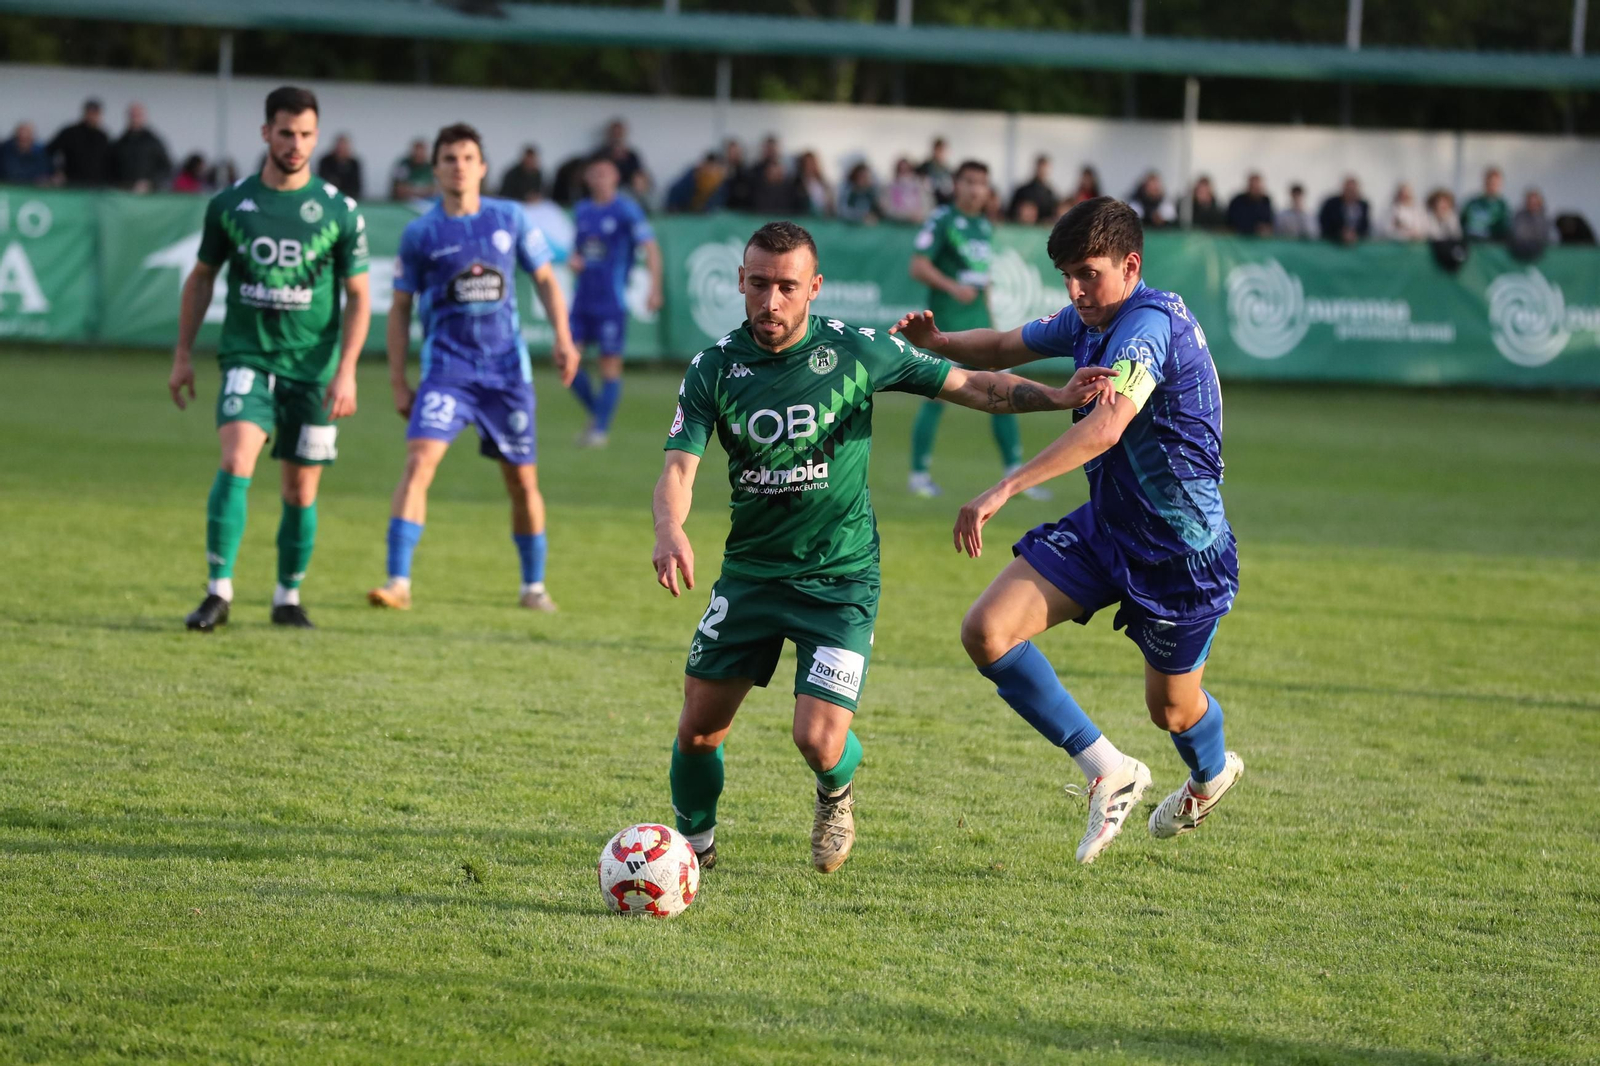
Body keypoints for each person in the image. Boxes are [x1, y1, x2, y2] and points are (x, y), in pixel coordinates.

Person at [652, 221, 1107, 874]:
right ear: (741, 284)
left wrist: (1057, 397)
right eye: (758, 285)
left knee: (816, 738)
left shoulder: (858, 351)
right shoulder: (715, 368)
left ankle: (836, 792)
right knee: (698, 728)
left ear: (814, 287)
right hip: (750, 574)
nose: (771, 302)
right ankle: (691, 851)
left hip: (839, 578)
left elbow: (970, 385)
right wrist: (671, 530)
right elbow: (677, 469)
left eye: (787, 286)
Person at [889, 196, 1242, 865]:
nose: (1076, 290)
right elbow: (1004, 343)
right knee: (987, 631)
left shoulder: (1147, 326)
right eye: (1067, 277)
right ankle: (1109, 770)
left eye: (1088, 273)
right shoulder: (1090, 317)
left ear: (1130, 265)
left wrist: (1005, 486)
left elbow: (1107, 424)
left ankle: (1210, 774)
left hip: (1181, 553)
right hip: (1110, 527)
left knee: (1172, 710)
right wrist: (938, 344)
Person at [168, 86, 371, 632]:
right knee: (236, 462)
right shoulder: (231, 205)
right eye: (286, 132)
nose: (296, 143)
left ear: (317, 135)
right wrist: (183, 354)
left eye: (306, 134)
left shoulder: (339, 211)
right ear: (266, 133)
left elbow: (360, 296)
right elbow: (201, 279)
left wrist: (348, 370)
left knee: (299, 489)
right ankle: (218, 592)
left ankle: (287, 596)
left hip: (314, 370)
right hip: (248, 358)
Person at [368, 123, 580, 613]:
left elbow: (547, 280)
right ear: (436, 168)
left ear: (482, 167)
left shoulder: (510, 217)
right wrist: (399, 380)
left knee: (522, 481)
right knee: (419, 461)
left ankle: (533, 586)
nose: (458, 166)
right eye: (448, 158)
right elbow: (399, 309)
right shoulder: (421, 232)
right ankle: (398, 581)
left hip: (507, 374)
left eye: (467, 157)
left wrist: (565, 340)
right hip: (447, 372)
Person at [907, 160, 1041, 501]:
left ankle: (1016, 474)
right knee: (937, 396)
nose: (975, 189)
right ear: (956, 185)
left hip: (981, 326)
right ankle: (918, 475)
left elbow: (982, 282)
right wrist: (952, 287)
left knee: (1005, 392)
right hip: (948, 325)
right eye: (969, 181)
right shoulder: (943, 220)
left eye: (982, 182)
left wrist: (993, 319)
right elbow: (918, 265)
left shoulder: (983, 226)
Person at [565, 156, 664, 448]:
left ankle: (599, 431)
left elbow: (651, 248)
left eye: (605, 174)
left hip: (611, 301)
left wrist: (655, 288)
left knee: (609, 366)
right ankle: (599, 417)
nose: (599, 179)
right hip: (582, 299)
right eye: (594, 174)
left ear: (615, 179)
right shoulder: (582, 210)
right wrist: (574, 261)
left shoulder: (626, 210)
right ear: (587, 179)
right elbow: (577, 250)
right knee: (566, 361)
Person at [47, 98, 111, 187]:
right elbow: (49, 151)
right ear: (85, 113)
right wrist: (57, 172)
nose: (92, 116)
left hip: (96, 187)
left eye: (95, 113)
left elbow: (108, 163)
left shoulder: (103, 137)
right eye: (90, 113)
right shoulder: (69, 133)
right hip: (72, 186)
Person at [112, 103, 171, 193]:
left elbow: (166, 168)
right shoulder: (120, 143)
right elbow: (111, 168)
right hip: (123, 194)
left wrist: (150, 182)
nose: (135, 119)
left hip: (147, 195)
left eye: (138, 115)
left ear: (144, 117)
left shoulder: (153, 142)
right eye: (132, 115)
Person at [1460, 166, 1510, 241]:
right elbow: (1462, 222)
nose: (1492, 186)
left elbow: (1505, 230)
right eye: (1490, 182)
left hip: (1490, 246)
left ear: (1500, 184)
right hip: (1471, 244)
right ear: (1485, 182)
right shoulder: (1472, 203)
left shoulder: (1502, 206)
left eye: (1495, 183)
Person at [1318, 177, 1370, 244]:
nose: (1351, 193)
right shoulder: (1331, 204)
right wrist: (1341, 233)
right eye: (1349, 190)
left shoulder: (1363, 205)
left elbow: (1365, 225)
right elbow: (1325, 222)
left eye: (1353, 191)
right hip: (1333, 242)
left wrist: (1355, 233)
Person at [1009, 154, 1056, 223]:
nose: (1042, 171)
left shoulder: (1049, 194)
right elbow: (1011, 213)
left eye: (1045, 168)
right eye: (1040, 168)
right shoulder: (1022, 191)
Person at [881, 156, 930, 223]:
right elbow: (887, 208)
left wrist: (921, 214)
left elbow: (927, 204)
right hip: (897, 225)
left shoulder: (920, 185)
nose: (904, 173)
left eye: (906, 170)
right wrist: (907, 216)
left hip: (918, 223)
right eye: (901, 170)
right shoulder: (890, 187)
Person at [317, 133, 364, 200]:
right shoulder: (325, 161)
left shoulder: (354, 163)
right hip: (328, 198)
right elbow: (323, 182)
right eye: (339, 147)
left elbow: (356, 186)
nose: (341, 149)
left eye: (344, 147)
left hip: (349, 198)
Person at [1225, 173, 1273, 237]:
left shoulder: (1266, 201)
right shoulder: (1237, 201)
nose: (1255, 190)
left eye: (1257, 187)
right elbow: (1232, 222)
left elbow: (1269, 222)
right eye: (1253, 187)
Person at [793, 151, 833, 216]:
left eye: (812, 163)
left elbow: (828, 200)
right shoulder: (798, 182)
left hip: (823, 217)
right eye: (807, 163)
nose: (810, 166)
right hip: (806, 217)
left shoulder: (822, 181)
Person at [918, 136, 954, 206]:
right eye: (939, 150)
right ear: (934, 150)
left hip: (943, 203)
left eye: (943, 150)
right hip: (927, 203)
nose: (941, 153)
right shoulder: (924, 168)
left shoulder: (948, 170)